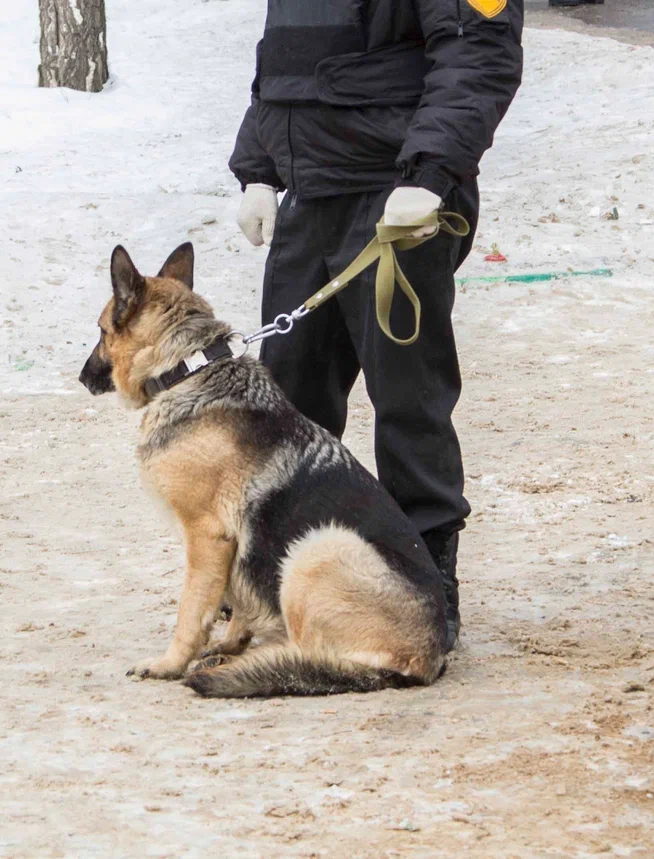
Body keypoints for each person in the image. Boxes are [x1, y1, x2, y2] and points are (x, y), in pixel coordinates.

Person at [229, 0, 524, 651]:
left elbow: (479, 52)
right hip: (310, 193)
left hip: (396, 197)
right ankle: (284, 579)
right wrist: (256, 163)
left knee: (408, 400)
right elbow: (286, 55)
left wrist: (432, 173)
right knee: (284, 402)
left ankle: (425, 592)